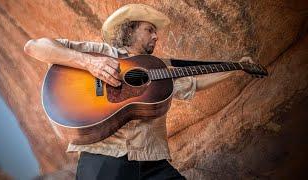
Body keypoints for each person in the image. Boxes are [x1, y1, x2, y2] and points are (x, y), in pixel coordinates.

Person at [24, 3, 253, 180]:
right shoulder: (102, 52)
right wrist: (89, 63)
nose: (156, 36)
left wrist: (237, 68)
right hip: (105, 157)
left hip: (153, 162)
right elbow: (35, 46)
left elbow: (195, 83)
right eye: (150, 29)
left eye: (156, 32)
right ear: (130, 28)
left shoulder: (160, 70)